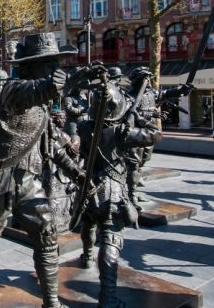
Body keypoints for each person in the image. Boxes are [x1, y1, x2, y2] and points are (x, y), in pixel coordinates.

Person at [0, 34, 83, 308]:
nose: (53, 68)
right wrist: (56, 84)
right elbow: (36, 90)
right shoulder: (14, 91)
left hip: (29, 182)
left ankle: (51, 301)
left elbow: (52, 147)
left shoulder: (42, 106)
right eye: (47, 64)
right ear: (29, 67)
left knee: (47, 234)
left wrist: (76, 172)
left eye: (54, 64)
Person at [73, 67, 162, 308]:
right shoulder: (123, 132)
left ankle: (87, 257)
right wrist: (138, 118)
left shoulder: (84, 128)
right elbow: (155, 134)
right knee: (111, 239)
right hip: (112, 189)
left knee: (89, 224)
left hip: (89, 185)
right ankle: (108, 297)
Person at [123, 67, 193, 209]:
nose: (148, 81)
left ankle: (133, 189)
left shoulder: (151, 94)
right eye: (145, 78)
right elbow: (128, 116)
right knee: (133, 164)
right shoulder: (129, 96)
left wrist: (180, 90)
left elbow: (166, 93)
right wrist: (145, 117)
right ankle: (130, 194)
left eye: (149, 78)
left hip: (149, 132)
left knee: (144, 160)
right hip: (136, 133)